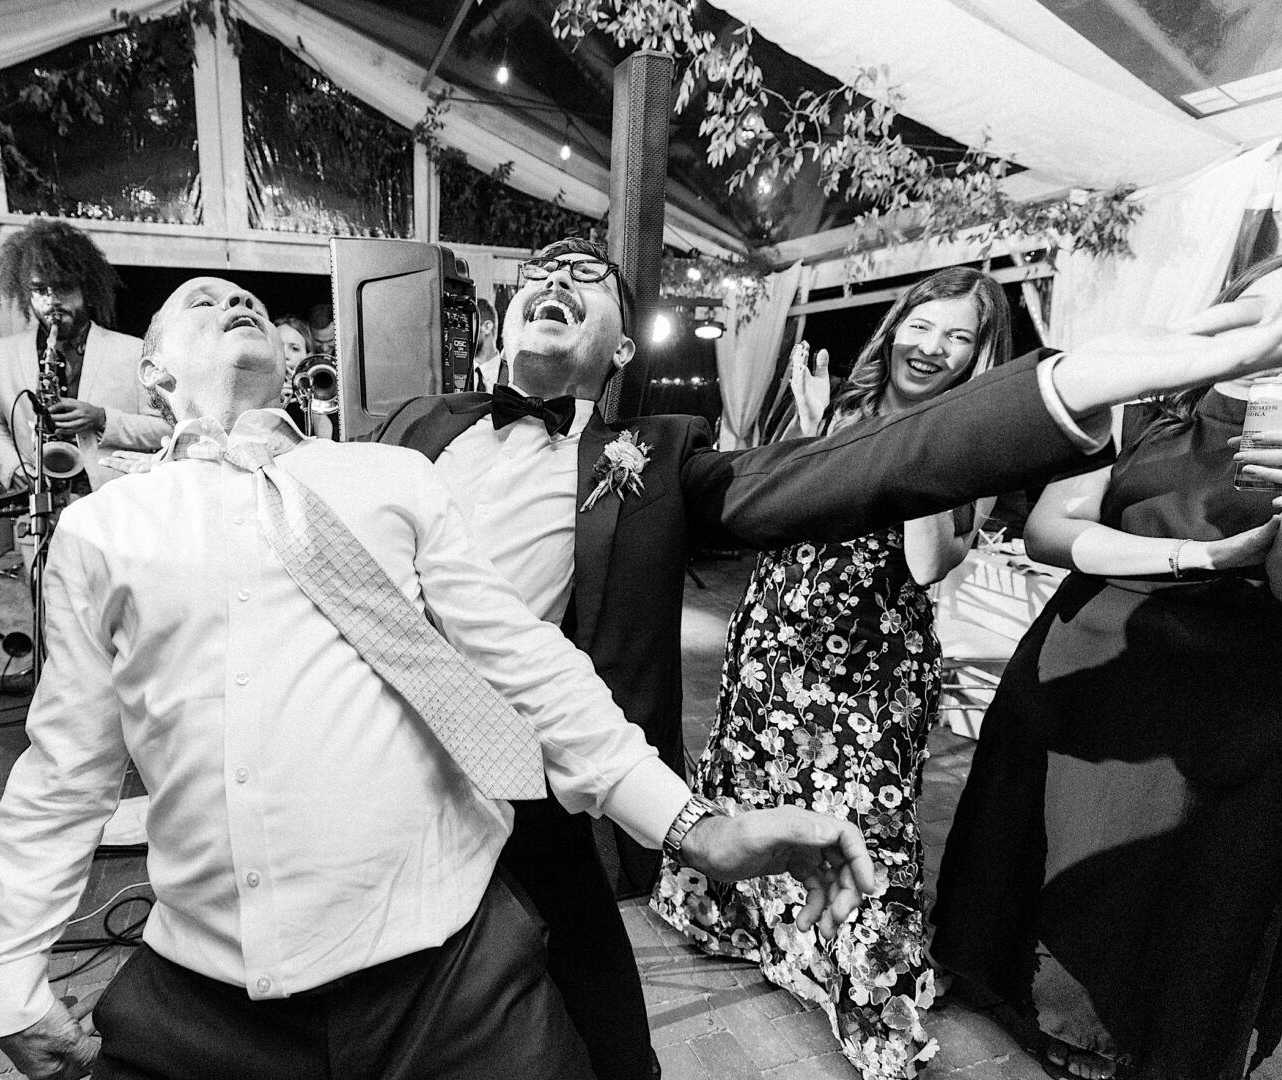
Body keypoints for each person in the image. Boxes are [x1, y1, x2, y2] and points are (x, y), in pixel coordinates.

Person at [369, 236, 1282, 1080]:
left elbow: (870, 472)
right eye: (542, 267)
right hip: (359, 764)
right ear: (501, 313)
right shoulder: (405, 427)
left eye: (590, 277)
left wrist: (1080, 381)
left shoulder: (656, 456)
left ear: (620, 354)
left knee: (600, 1024)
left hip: (530, 776)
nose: (558, 278)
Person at [0, 274, 880, 1080]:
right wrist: (6, 970)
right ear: (154, 376)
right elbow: (65, 768)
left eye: (246, 301)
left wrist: (697, 828)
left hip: (457, 975)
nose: (234, 302)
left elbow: (526, 663)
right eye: (201, 304)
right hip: (206, 1001)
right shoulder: (104, 531)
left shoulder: (387, 477)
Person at [653, 268, 1013, 1078]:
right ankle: (755, 933)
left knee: (862, 827)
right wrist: (824, 433)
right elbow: (792, 502)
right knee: (758, 791)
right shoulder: (849, 407)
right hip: (781, 631)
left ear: (980, 358)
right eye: (925, 324)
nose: (934, 347)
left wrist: (931, 436)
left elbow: (926, 565)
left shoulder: (979, 441)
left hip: (869, 666)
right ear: (898, 326)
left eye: (961, 338)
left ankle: (872, 1007)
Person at [929, 256, 1282, 1080]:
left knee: (1173, 884)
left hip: (1235, 699)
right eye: (1259, 305)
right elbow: (1048, 529)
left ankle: (1118, 1033)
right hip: (1090, 661)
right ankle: (1022, 1000)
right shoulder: (1148, 393)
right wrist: (1196, 555)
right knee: (1048, 851)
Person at [0, 220, 169, 494]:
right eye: (40, 290)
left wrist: (102, 419)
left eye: (63, 288)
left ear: (86, 289)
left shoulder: (135, 352)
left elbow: (165, 429)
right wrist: (13, 468)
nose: (52, 302)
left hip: (109, 505)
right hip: (33, 504)